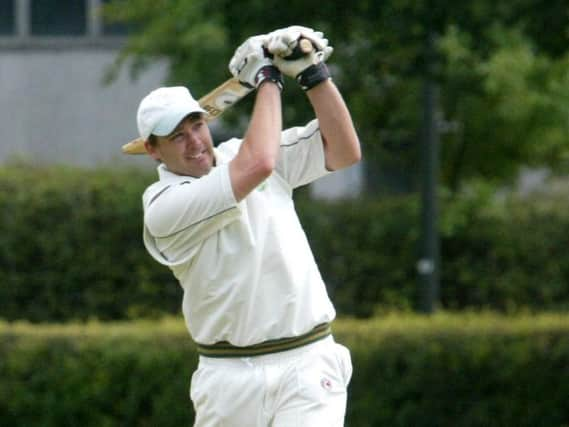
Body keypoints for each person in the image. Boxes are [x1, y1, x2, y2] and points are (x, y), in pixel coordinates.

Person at [131, 26, 361, 427]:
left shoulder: (242, 150)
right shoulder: (162, 208)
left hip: (308, 362)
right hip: (228, 378)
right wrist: (268, 79)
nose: (195, 143)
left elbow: (343, 150)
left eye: (197, 126)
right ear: (153, 150)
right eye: (177, 137)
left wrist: (313, 75)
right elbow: (258, 166)